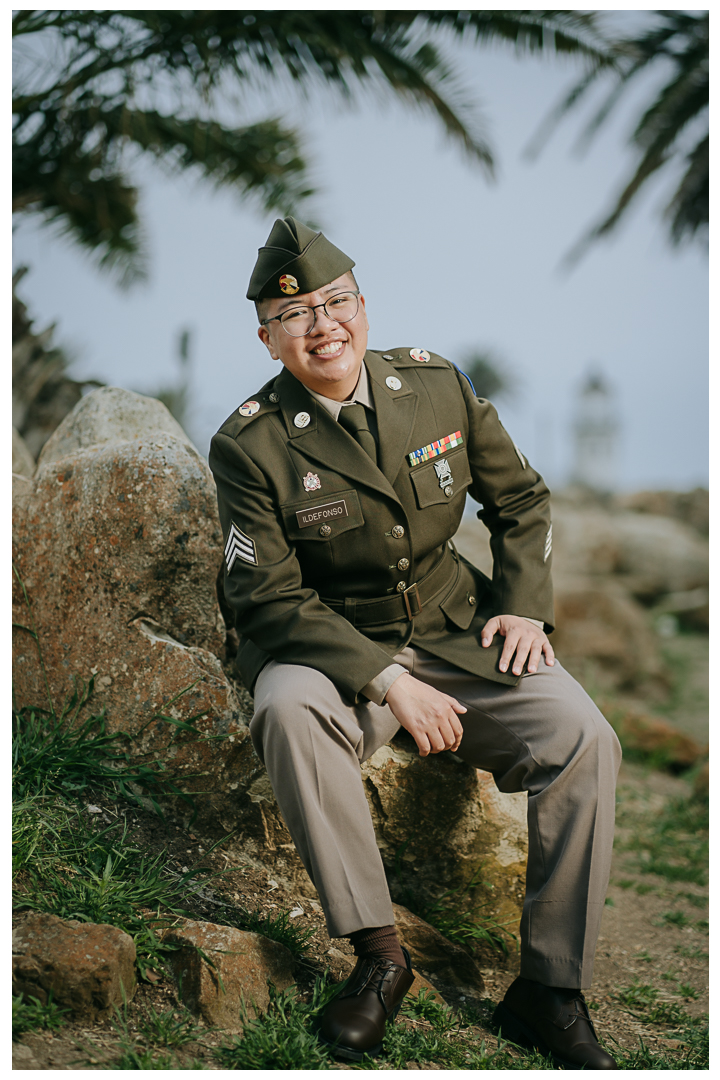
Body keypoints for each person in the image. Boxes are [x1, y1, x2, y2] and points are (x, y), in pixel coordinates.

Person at [209, 218, 621, 1069]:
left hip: (453, 628)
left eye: (335, 303)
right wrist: (386, 682)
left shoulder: (436, 387)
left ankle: (548, 989)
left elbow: (523, 503)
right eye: (297, 316)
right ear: (268, 337)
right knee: (285, 710)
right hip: (330, 646)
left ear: (363, 306)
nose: (322, 326)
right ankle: (378, 958)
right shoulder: (249, 445)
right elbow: (268, 597)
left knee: (585, 738)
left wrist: (525, 608)